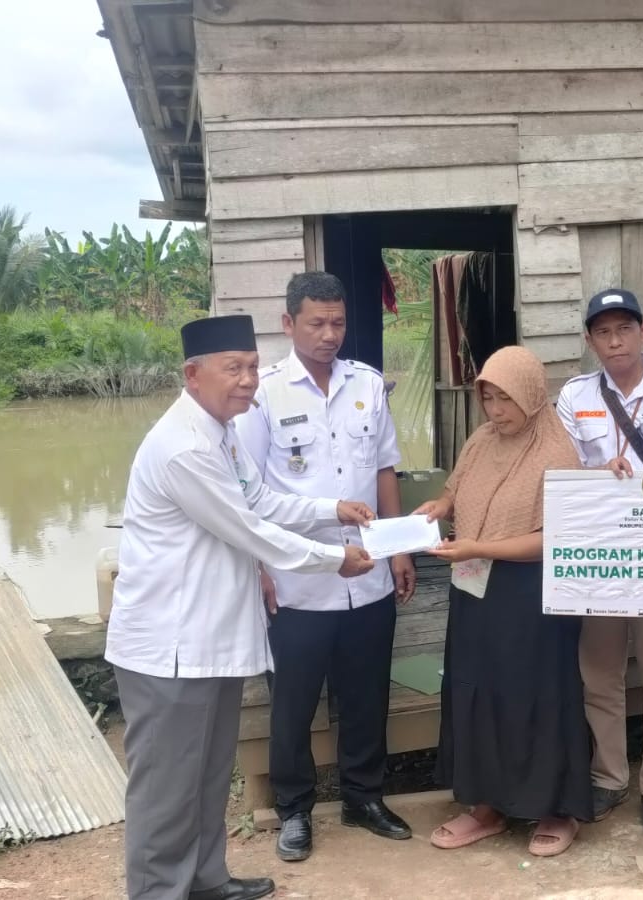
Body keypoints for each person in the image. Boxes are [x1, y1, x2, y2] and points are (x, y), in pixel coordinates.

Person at [106, 314, 378, 900]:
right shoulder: (182, 447)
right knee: (165, 789)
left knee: (204, 778)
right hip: (168, 651)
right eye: (234, 368)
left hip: (209, 644)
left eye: (254, 367)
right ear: (193, 374)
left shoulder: (221, 431)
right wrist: (335, 560)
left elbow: (260, 497)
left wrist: (334, 509)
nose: (249, 380)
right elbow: (251, 529)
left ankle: (204, 881)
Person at [234, 272, 418, 862]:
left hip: (366, 578)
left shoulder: (366, 384)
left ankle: (364, 798)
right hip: (297, 585)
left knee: (367, 697)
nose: (329, 334)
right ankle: (294, 811)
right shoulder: (261, 396)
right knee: (292, 703)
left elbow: (385, 469)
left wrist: (398, 549)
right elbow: (248, 495)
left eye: (337, 322)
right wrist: (260, 565)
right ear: (289, 324)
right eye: (316, 323)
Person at [416, 345, 592, 858]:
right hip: (474, 587)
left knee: (535, 694)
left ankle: (556, 807)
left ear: (532, 394)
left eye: (506, 399)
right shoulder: (480, 440)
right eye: (488, 398)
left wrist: (478, 547)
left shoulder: (556, 452)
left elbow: (554, 539)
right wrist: (441, 505)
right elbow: (458, 489)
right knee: (479, 689)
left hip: (532, 594)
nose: (496, 410)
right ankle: (487, 806)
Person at [553, 288, 643, 838]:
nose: (614, 341)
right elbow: (563, 469)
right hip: (602, 559)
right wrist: (599, 472)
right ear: (591, 340)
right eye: (602, 332)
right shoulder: (575, 397)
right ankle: (609, 776)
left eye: (624, 329)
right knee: (600, 674)